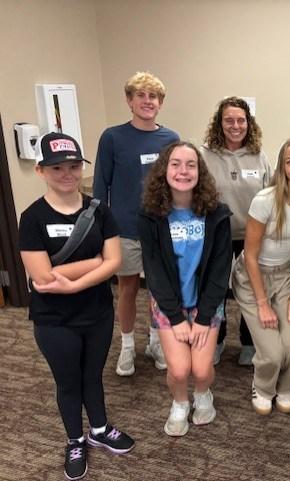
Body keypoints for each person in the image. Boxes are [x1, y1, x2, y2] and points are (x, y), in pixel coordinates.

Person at [19, 133, 134, 481]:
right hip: (54, 319)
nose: (67, 174)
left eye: (73, 166)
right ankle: (75, 439)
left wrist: (73, 280)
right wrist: (95, 262)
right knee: (68, 381)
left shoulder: (99, 210)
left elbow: (115, 262)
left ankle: (99, 429)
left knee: (93, 375)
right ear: (41, 171)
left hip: (97, 312)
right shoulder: (32, 218)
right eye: (57, 168)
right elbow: (42, 277)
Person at [139, 141, 232, 436]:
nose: (183, 171)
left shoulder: (217, 214)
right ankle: (180, 403)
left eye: (191, 165)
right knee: (179, 370)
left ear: (200, 172)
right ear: (164, 170)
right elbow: (154, 271)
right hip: (169, 304)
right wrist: (176, 318)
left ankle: (203, 394)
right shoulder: (151, 215)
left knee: (201, 370)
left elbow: (220, 271)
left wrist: (204, 318)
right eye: (176, 164)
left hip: (205, 302)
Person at [93, 71, 179, 377]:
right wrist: (101, 230)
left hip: (160, 228)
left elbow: (177, 183)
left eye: (153, 96)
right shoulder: (112, 137)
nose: (147, 101)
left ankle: (155, 341)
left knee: (158, 289)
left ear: (160, 103)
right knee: (127, 287)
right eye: (140, 95)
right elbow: (100, 186)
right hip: (125, 228)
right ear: (129, 101)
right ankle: (127, 345)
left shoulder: (171, 139)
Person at [231, 138, 290, 415]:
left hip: (285, 276)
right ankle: (263, 386)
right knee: (272, 353)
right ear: (282, 167)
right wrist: (262, 303)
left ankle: (285, 387)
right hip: (251, 277)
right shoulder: (265, 200)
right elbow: (250, 255)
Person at [202, 96, 271, 366]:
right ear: (219, 123)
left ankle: (248, 342)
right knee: (215, 290)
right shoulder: (204, 155)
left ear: (248, 123)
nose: (235, 126)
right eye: (229, 120)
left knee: (251, 290)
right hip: (216, 234)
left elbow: (271, 195)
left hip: (251, 236)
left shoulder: (259, 156)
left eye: (241, 120)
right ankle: (216, 340)